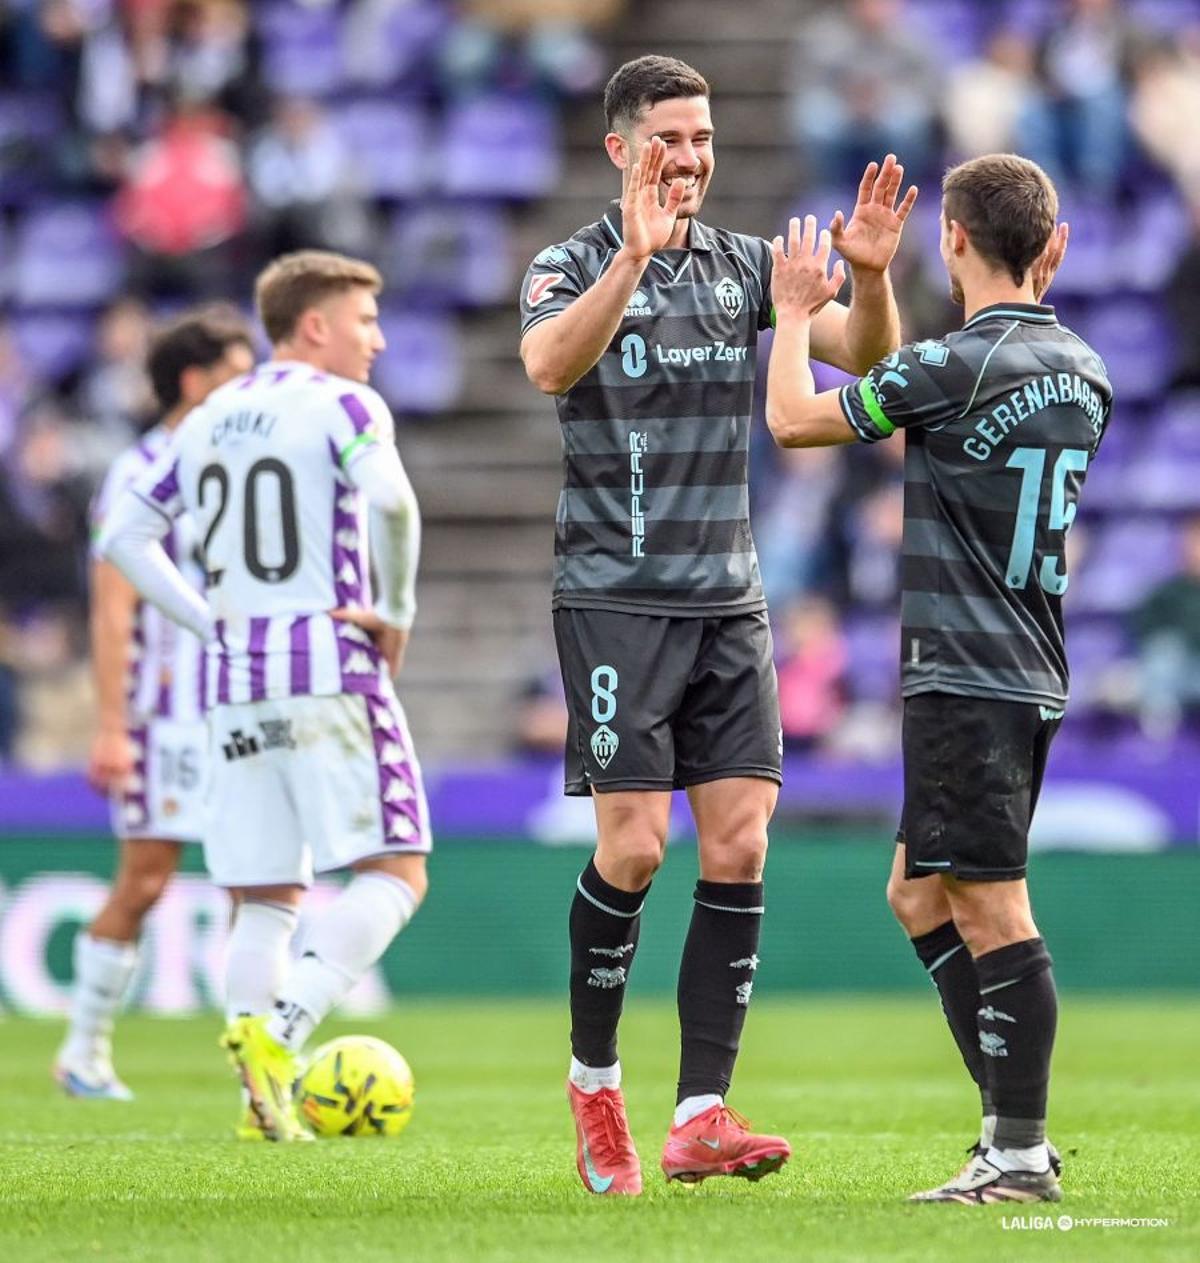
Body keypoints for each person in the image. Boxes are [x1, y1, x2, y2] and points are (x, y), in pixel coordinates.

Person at [518, 54, 915, 1194]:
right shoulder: (570, 261)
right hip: (613, 596)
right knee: (635, 848)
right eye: (667, 139)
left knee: (739, 844)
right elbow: (549, 365)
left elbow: (868, 359)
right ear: (619, 150)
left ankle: (700, 1111)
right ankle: (597, 1085)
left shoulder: (746, 266)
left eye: (700, 138)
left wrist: (871, 279)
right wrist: (632, 261)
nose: (688, 157)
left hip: (728, 600)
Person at [765, 153, 1105, 1204]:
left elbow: (795, 423)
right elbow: (928, 383)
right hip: (1031, 661)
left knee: (992, 906)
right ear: (1052, 247)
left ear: (950, 240)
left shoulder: (955, 365)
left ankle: (1018, 1149)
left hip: (962, 670)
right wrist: (872, 286)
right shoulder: (1084, 367)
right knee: (918, 892)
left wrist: (794, 315)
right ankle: (1010, 1128)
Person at [97, 250, 427, 1142]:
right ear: (313, 325)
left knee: (267, 895)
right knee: (397, 871)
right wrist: (391, 612)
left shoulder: (203, 423)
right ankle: (283, 1035)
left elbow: (125, 536)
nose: (378, 340)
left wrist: (207, 621)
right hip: (328, 663)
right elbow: (392, 505)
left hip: (233, 679)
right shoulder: (345, 405)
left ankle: (257, 1094)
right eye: (364, 321)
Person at [55, 307, 254, 1100]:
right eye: (238, 374)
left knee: (258, 881)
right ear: (196, 382)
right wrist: (111, 725)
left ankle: (256, 1069)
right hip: (166, 712)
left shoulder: (245, 461)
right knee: (144, 879)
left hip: (242, 701)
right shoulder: (139, 471)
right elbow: (113, 608)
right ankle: (82, 1049)